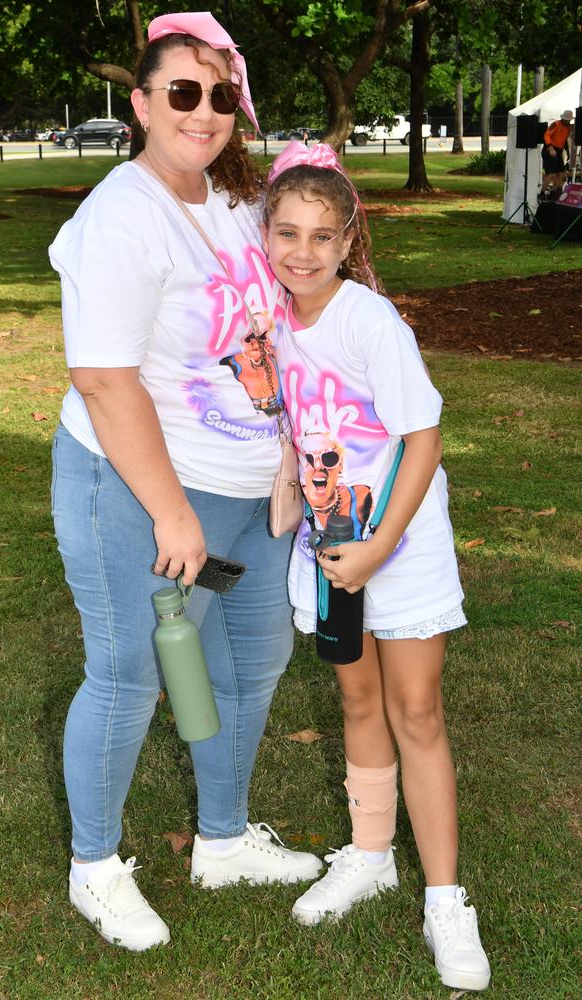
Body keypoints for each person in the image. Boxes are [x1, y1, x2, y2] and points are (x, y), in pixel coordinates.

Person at [48, 13, 322, 953]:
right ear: (142, 103)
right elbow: (104, 377)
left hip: (254, 497)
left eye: (218, 94)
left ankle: (223, 839)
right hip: (144, 495)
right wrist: (170, 512)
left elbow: (271, 332)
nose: (202, 112)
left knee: (245, 668)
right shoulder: (120, 216)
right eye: (182, 92)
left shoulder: (232, 203)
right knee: (129, 675)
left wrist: (287, 459)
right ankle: (95, 866)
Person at [261, 141, 491, 992]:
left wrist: (380, 548)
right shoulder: (274, 320)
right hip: (327, 543)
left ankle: (444, 898)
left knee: (416, 710)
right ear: (267, 235)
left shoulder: (370, 320)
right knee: (357, 699)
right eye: (287, 233)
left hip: (396, 541)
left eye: (322, 237)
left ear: (350, 239)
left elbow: (424, 439)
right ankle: (368, 854)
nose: (302, 253)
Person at [539, 109, 574, 200]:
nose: (567, 121)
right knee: (551, 174)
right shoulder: (556, 124)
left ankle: (553, 193)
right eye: (566, 120)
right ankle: (542, 193)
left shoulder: (568, 128)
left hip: (559, 151)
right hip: (549, 149)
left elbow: (564, 140)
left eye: (568, 120)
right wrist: (550, 148)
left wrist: (567, 151)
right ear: (563, 118)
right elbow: (546, 135)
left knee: (561, 174)